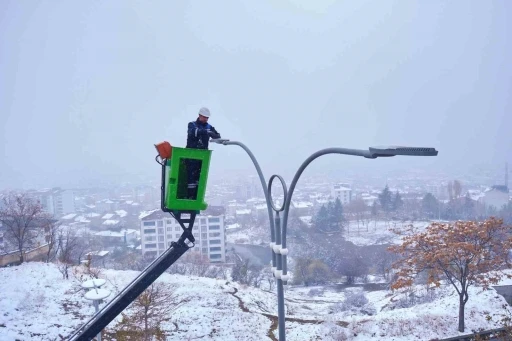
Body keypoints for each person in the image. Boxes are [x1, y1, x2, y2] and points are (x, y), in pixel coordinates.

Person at [185, 107, 221, 199]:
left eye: (207, 118)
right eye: (204, 117)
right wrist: (207, 132)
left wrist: (214, 135)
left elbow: (217, 135)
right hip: (191, 156)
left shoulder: (209, 127)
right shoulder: (192, 125)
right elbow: (193, 132)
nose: (206, 119)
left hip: (202, 157)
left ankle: (196, 197)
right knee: (191, 178)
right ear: (199, 116)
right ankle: (190, 196)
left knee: (199, 178)